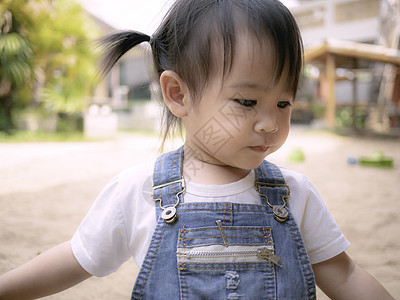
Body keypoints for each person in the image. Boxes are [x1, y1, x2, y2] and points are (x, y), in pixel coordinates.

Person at [0, 0, 394, 299]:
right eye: (246, 102)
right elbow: (76, 258)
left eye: (284, 103)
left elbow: (343, 275)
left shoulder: (295, 196)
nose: (270, 123)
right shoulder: (139, 193)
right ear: (179, 94)